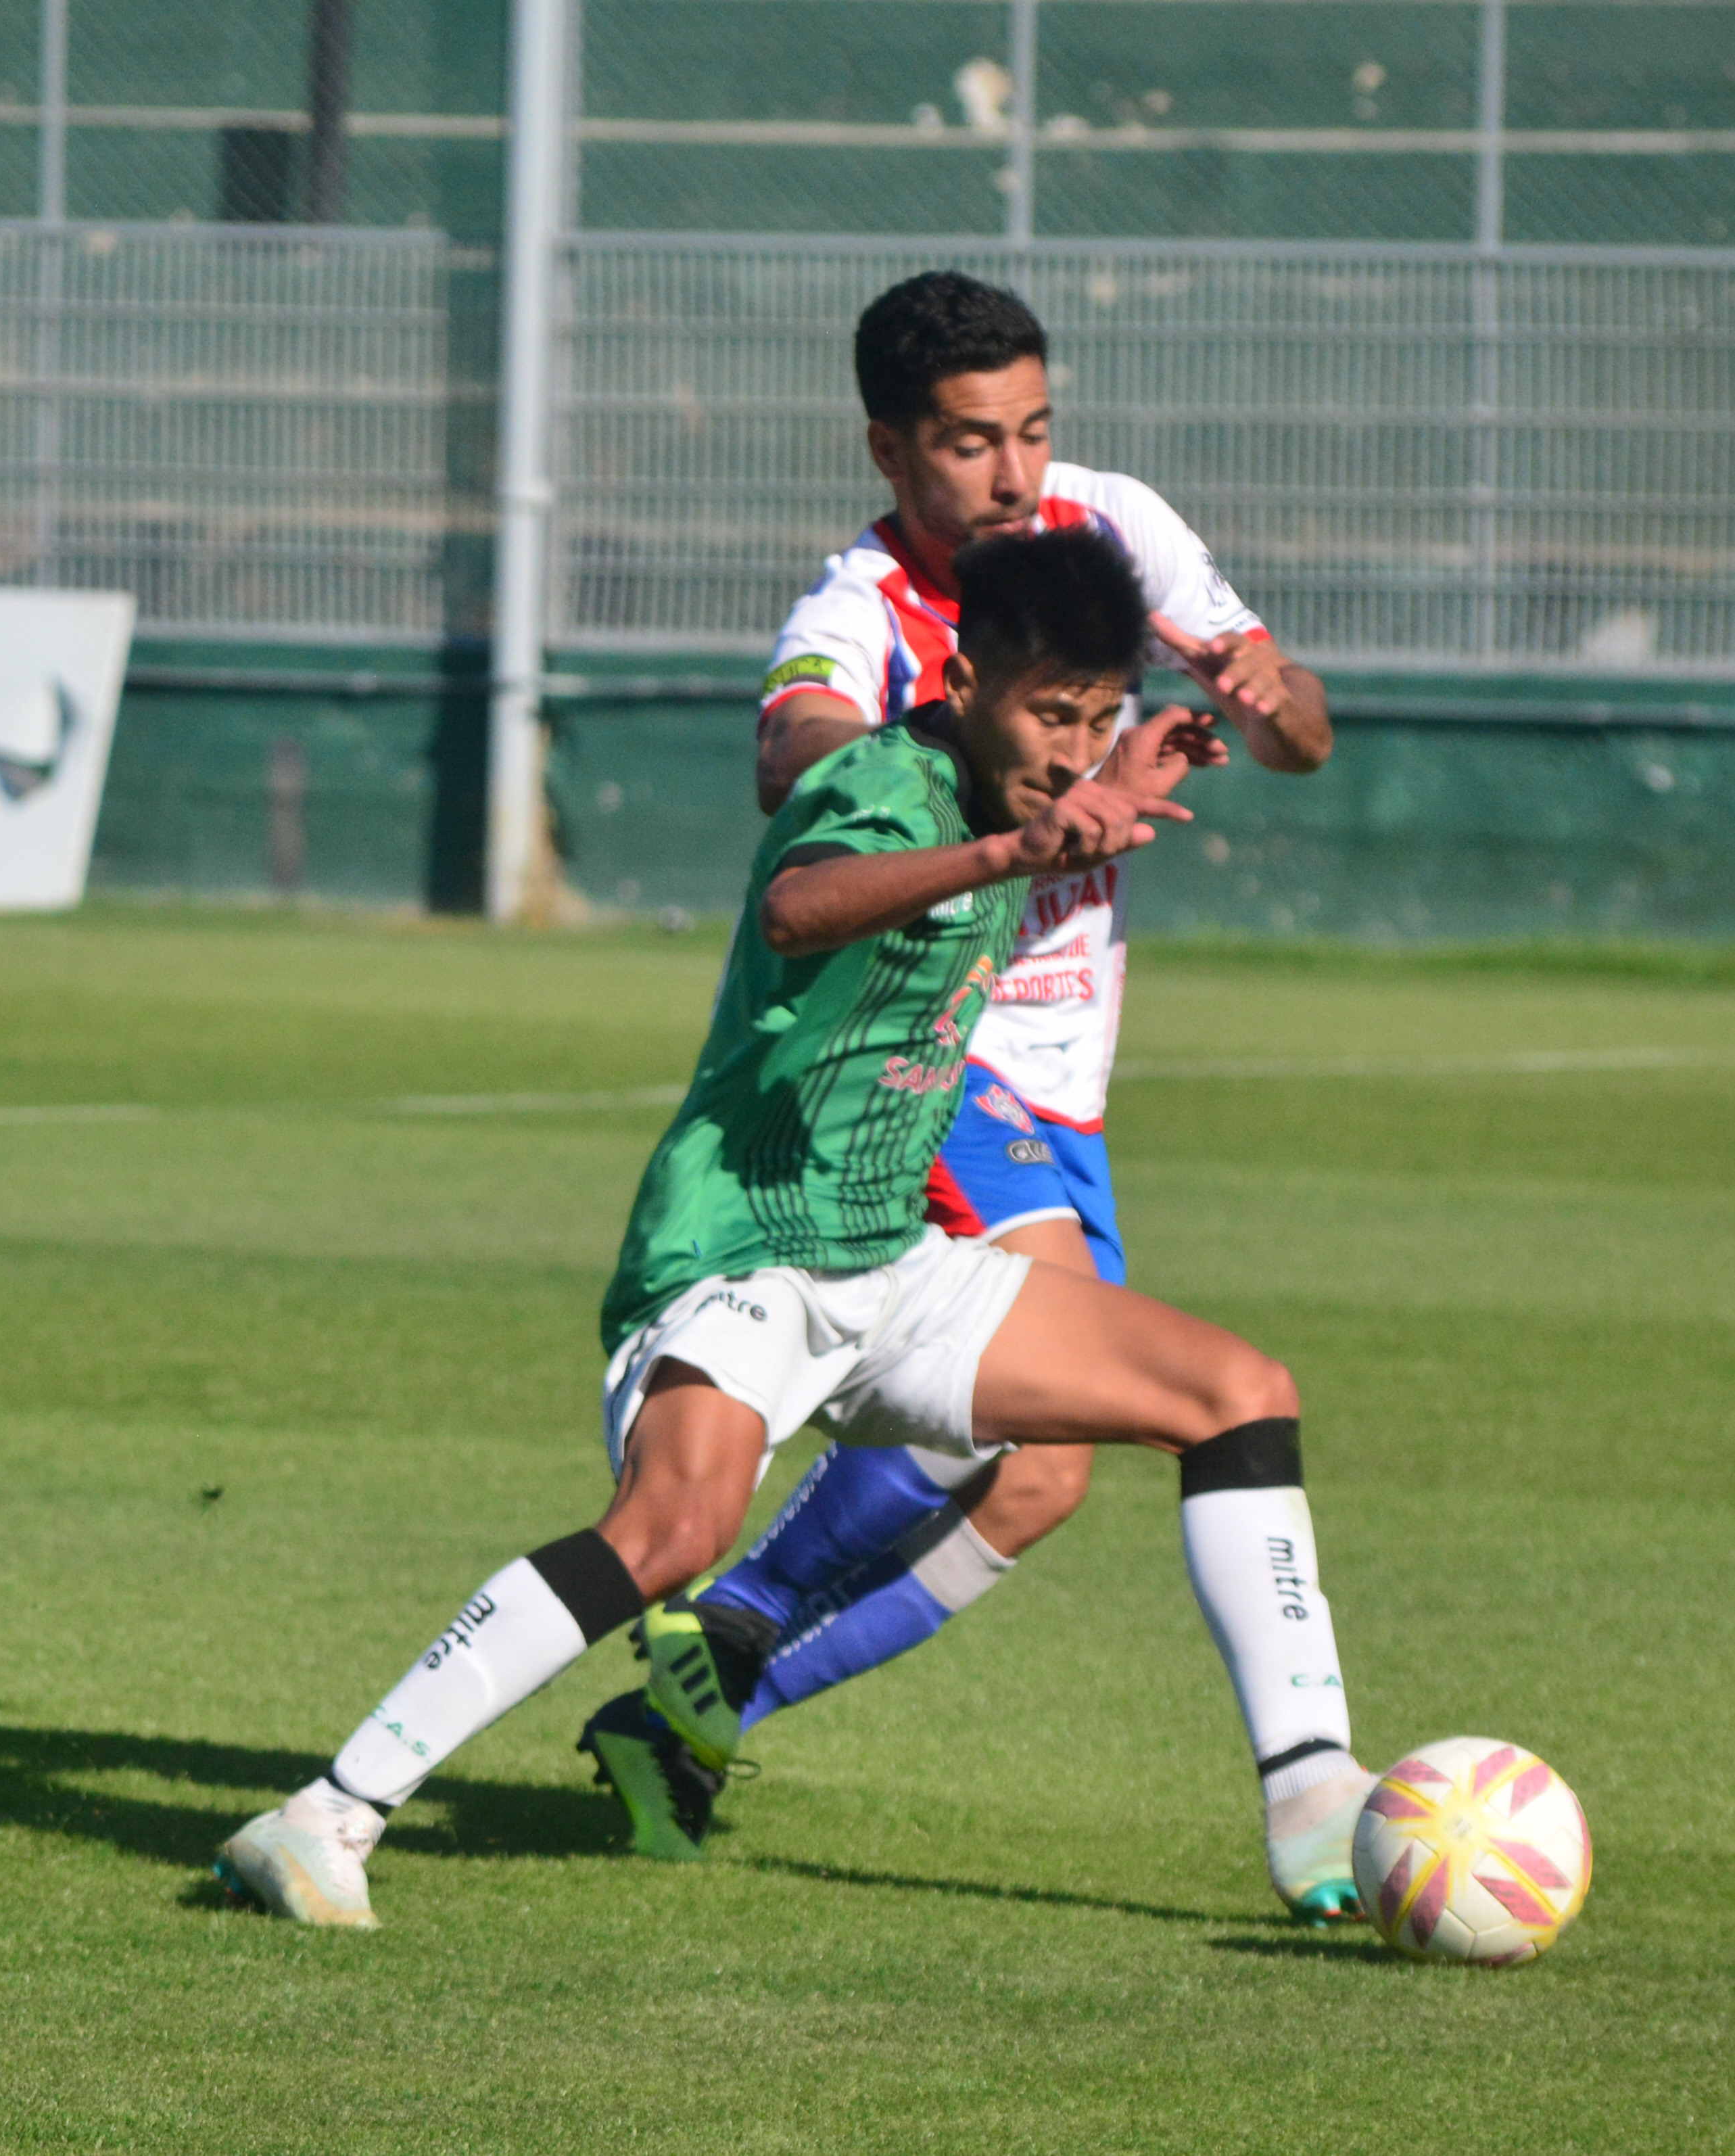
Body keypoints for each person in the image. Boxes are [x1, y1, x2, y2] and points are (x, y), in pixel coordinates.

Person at [214, 525, 1373, 1929]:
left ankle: (1313, 1796)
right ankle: (321, 1818)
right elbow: (797, 903)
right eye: (1046, 716)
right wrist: (1010, 847)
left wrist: (1108, 785)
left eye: (1093, 719)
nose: (1070, 751)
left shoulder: (1034, 784)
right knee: (673, 1529)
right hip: (739, 1253)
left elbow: (1051, 807)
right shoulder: (877, 783)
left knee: (1238, 1393)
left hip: (887, 1262)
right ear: (960, 681)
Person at [676, 270, 1338, 1775]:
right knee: (1085, 1388)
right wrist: (978, 775)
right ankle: (1303, 1776)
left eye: (1031, 430)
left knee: (1041, 1476)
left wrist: (1263, 692)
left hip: (1065, 1076)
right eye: (970, 441)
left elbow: (1298, 734)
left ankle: (697, 1704)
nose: (1014, 473)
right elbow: (796, 750)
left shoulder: (1109, 531)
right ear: (889, 449)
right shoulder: (862, 605)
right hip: (935, 1056)